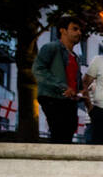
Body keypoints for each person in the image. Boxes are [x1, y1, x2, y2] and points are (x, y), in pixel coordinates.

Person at [33, 14, 84, 144]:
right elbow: (38, 69)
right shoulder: (51, 48)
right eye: (75, 29)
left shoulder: (75, 57)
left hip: (69, 101)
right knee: (59, 132)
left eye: (80, 30)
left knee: (68, 132)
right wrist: (62, 86)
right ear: (62, 30)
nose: (79, 32)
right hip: (53, 98)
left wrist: (78, 92)